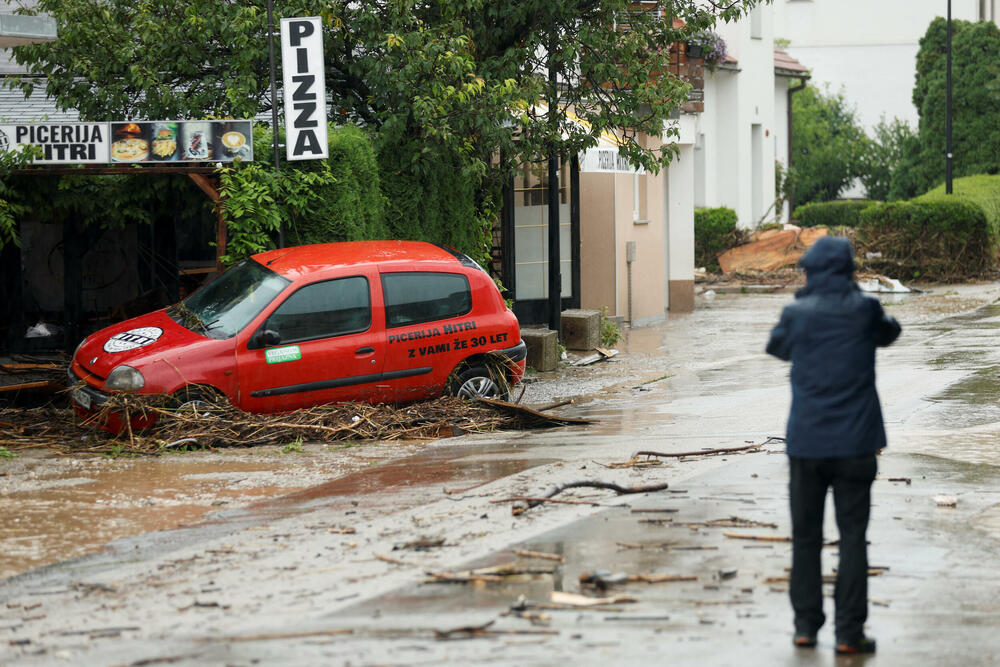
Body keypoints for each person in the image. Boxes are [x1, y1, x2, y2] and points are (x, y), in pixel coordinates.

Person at [766, 236, 901, 655]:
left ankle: (805, 628)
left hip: (807, 446)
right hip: (856, 445)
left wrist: (804, 308)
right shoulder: (865, 309)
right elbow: (890, 332)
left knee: (805, 537)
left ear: (812, 272)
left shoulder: (796, 313)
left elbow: (777, 346)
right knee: (853, 536)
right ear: (848, 271)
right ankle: (848, 633)